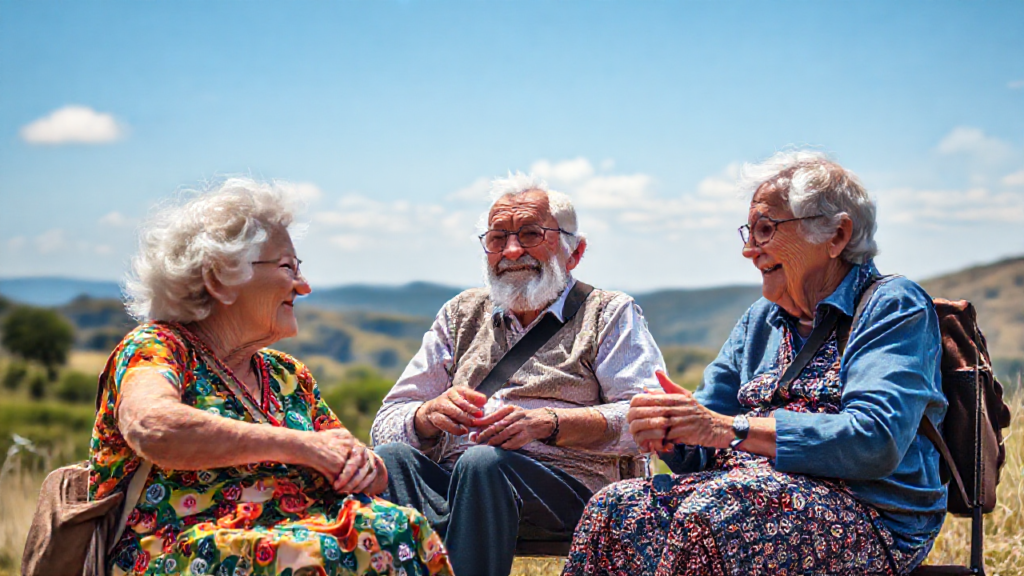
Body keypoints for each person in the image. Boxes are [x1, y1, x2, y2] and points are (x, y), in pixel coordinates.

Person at [563, 151, 947, 576]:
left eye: (766, 230)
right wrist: (672, 429)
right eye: (749, 232)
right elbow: (708, 430)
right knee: (614, 509)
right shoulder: (761, 320)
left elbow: (875, 439)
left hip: (870, 517)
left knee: (714, 514)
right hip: (748, 492)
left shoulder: (891, 306)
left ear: (836, 235)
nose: (749, 250)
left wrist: (732, 429)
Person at [90, 178, 453, 576]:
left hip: (295, 538)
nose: (304, 286)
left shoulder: (287, 375)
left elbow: (351, 459)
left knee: (403, 530)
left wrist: (365, 467)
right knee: (303, 556)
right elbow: (154, 427)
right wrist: (301, 447)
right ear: (218, 278)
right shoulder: (157, 348)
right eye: (287, 267)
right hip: (186, 549)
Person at [371, 172, 665, 576]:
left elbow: (647, 418)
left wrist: (547, 423)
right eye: (497, 238)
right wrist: (428, 416)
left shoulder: (609, 313)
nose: (511, 251)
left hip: (572, 488)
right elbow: (385, 423)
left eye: (530, 234)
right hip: (462, 479)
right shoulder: (460, 314)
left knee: (483, 464)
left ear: (573, 253)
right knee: (391, 460)